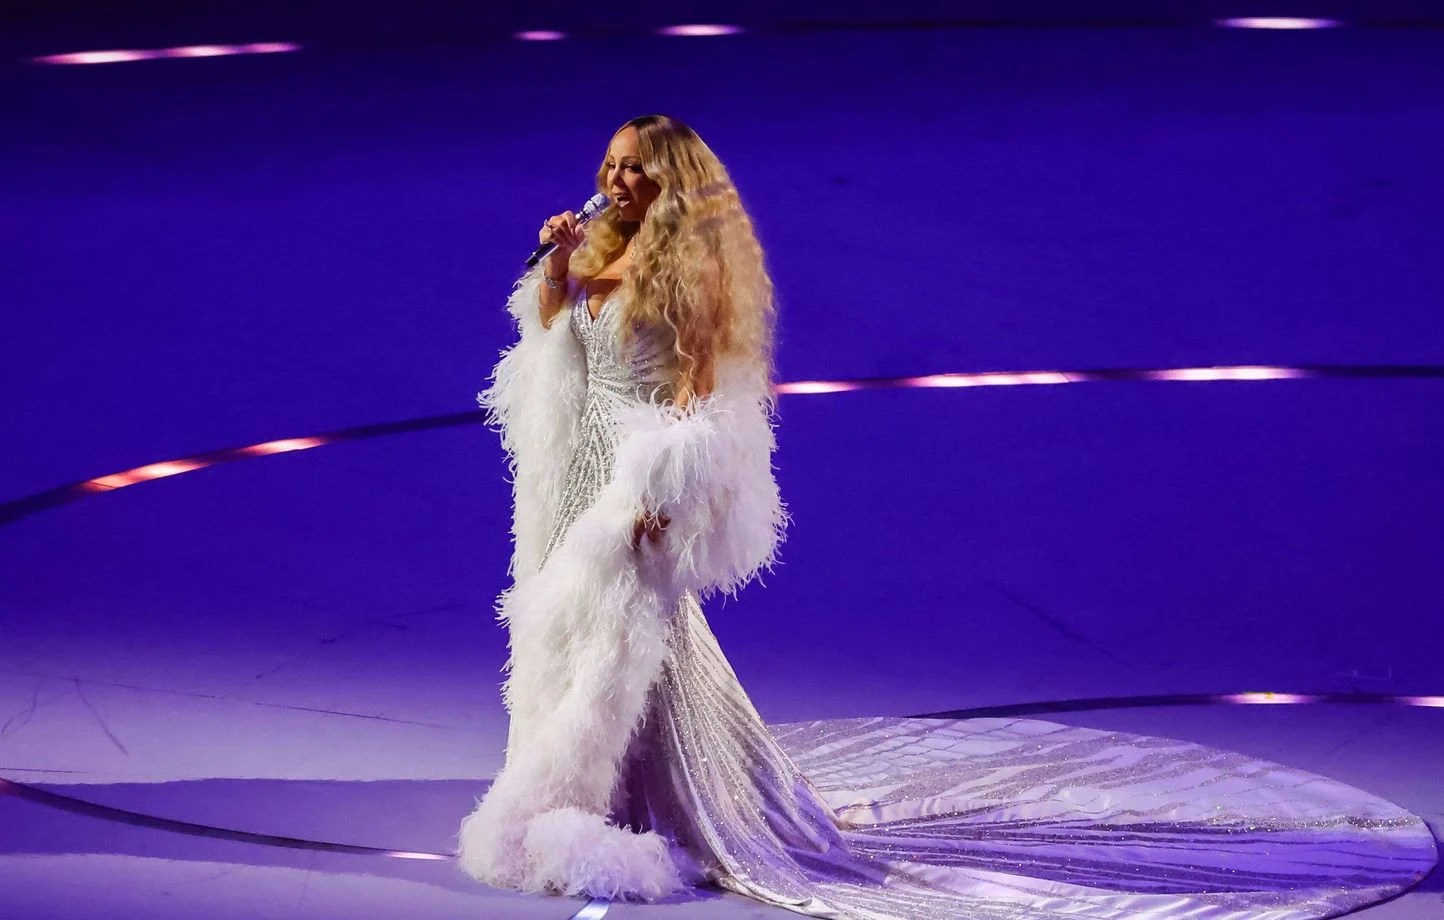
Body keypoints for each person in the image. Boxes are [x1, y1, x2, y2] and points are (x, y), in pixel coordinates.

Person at [456, 115, 1437, 917]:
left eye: (636, 168)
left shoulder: (689, 279)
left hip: (629, 485)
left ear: (672, 184)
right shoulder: (600, 249)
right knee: (570, 628)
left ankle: (633, 800)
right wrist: (557, 271)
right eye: (611, 163)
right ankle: (617, 787)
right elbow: (557, 342)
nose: (616, 180)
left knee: (626, 636)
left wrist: (660, 493)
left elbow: (699, 399)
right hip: (573, 473)